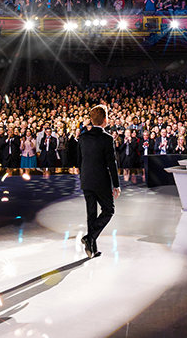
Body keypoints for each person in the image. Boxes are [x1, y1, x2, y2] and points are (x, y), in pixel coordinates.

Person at [78, 104, 121, 259]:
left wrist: (82, 176)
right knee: (109, 210)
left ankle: (92, 248)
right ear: (105, 120)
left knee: (91, 214)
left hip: (86, 180)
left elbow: (80, 160)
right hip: (101, 181)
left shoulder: (82, 137)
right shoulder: (107, 139)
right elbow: (111, 163)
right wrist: (116, 184)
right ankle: (90, 238)